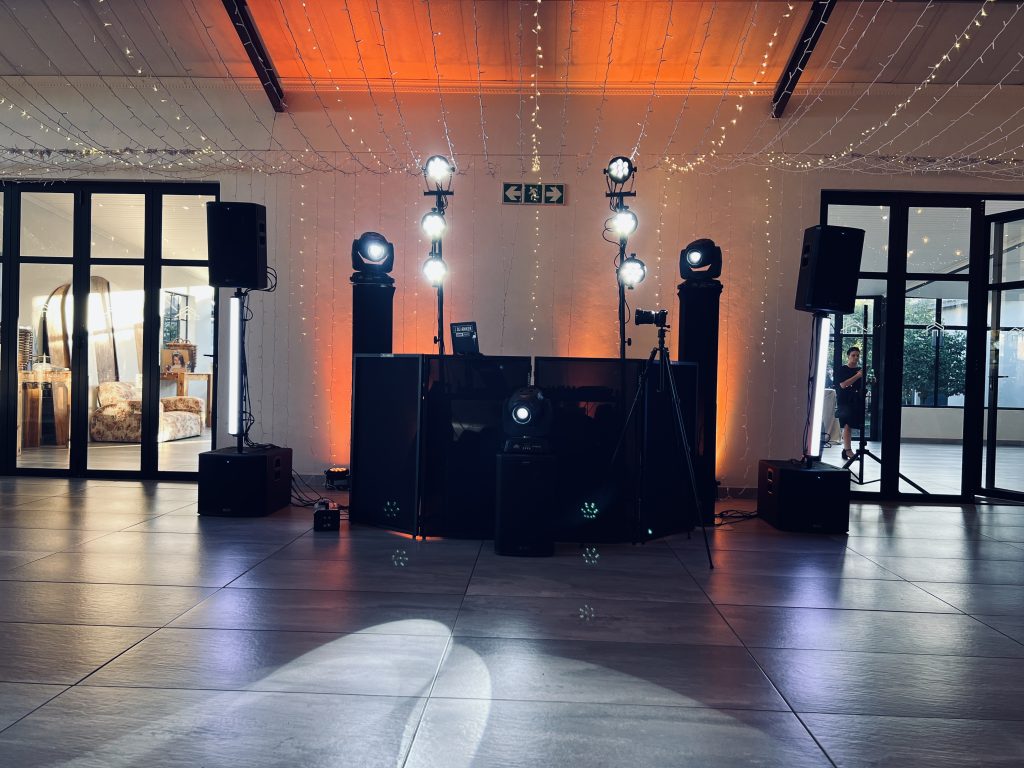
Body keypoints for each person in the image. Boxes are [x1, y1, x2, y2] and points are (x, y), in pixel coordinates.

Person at [835, 346, 864, 461]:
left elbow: (862, 385)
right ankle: (848, 450)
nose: (855, 357)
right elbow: (843, 385)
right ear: (848, 356)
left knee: (851, 424)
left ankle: (845, 450)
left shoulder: (860, 370)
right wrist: (858, 376)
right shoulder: (842, 369)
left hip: (856, 400)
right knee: (847, 424)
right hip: (844, 400)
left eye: (857, 355)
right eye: (853, 355)